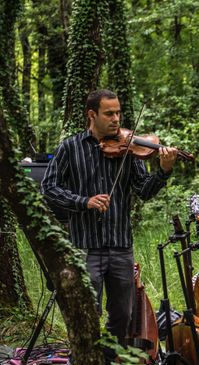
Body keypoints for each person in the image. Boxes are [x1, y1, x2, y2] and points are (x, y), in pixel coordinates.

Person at [41, 89, 178, 348]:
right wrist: (84, 201)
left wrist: (163, 171)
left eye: (118, 112)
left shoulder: (129, 148)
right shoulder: (71, 147)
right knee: (87, 313)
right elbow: (49, 187)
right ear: (92, 115)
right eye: (109, 113)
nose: (116, 119)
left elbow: (144, 191)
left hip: (120, 246)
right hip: (85, 247)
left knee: (123, 316)